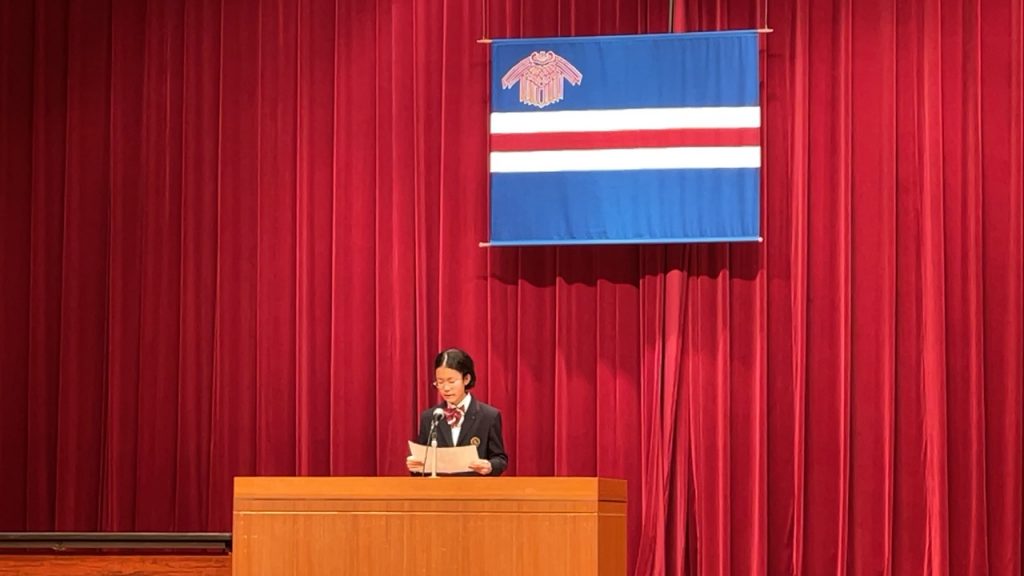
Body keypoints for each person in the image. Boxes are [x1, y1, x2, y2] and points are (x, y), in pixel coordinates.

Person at [406, 348, 508, 476]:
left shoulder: (489, 416)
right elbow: (422, 461)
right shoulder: (430, 417)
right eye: (440, 382)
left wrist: (489, 466)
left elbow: (500, 459)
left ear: (466, 379)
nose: (446, 388)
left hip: (474, 487)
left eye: (451, 381)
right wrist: (415, 466)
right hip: (440, 487)